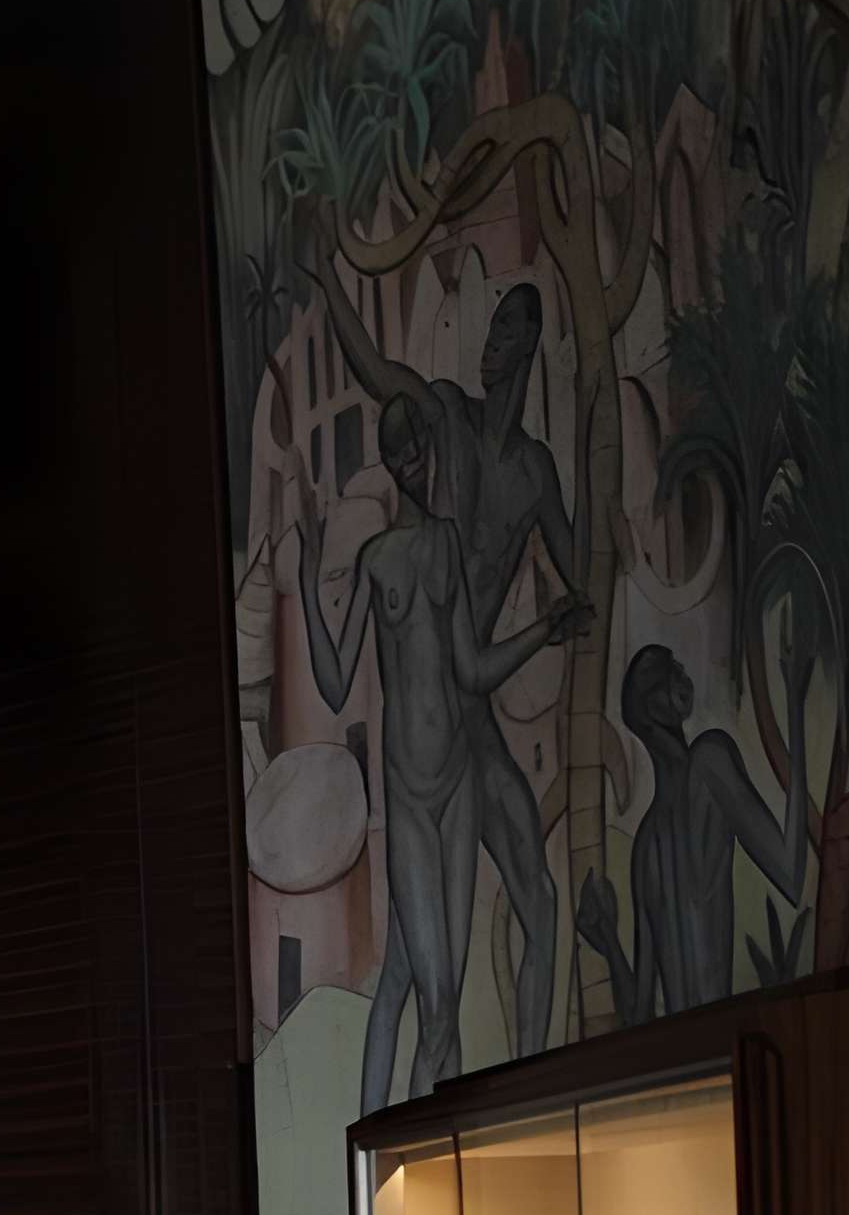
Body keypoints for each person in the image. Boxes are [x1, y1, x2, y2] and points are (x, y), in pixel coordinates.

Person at [309, 272, 583, 1082]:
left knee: (532, 908)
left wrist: (571, 607)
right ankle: (374, 1167)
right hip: (425, 756)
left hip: (474, 729)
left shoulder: (534, 473)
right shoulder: (446, 421)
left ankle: (529, 1095)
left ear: (528, 349)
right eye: (490, 329)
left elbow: (581, 568)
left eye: (506, 332)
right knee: (415, 981)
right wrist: (329, 268)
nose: (491, 344)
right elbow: (371, 368)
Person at [575, 644, 810, 1020]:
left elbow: (639, 1014)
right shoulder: (708, 762)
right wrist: (796, 711)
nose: (684, 674)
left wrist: (608, 941)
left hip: (683, 1057)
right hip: (719, 1037)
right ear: (656, 707)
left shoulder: (646, 844)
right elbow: (791, 874)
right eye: (673, 670)